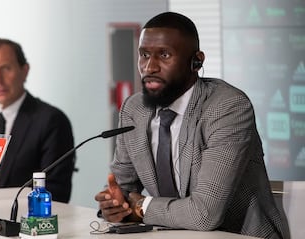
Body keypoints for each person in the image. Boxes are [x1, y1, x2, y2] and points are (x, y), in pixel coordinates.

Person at [95, 12, 290, 239]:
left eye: (164, 55)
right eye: (144, 55)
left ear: (196, 61)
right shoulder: (134, 109)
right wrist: (115, 206)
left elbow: (204, 215)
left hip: (239, 236)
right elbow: (122, 189)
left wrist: (142, 207)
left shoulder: (228, 107)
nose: (150, 67)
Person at [0, 38, 75, 203]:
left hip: (19, 220)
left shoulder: (51, 120)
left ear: (24, 70)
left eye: (6, 68)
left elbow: (56, 192)